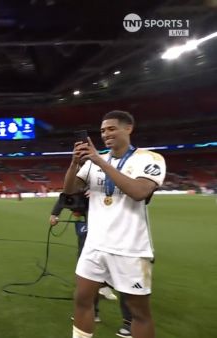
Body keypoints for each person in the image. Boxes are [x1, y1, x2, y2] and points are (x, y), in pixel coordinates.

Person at [64, 111, 166, 338]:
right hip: (95, 245)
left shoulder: (149, 159)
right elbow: (70, 191)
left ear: (128, 128)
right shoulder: (91, 162)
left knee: (139, 312)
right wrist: (73, 163)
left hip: (130, 248)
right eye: (102, 130)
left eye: (111, 129)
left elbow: (139, 192)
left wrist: (100, 161)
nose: (105, 134)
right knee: (81, 299)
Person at [50, 194, 133, 337]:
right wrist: (55, 213)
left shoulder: (110, 182)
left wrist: (101, 195)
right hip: (86, 231)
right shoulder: (82, 180)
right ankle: (93, 311)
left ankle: (129, 323)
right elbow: (66, 195)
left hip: (113, 234)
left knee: (121, 277)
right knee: (87, 276)